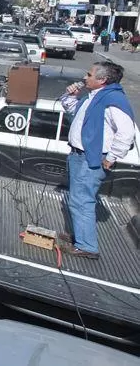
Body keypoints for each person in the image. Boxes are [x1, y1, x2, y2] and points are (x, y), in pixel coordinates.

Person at [58, 62, 136, 259]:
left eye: (89, 74)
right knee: (77, 198)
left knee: (82, 201)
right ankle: (79, 235)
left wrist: (111, 157)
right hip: (78, 156)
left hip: (89, 159)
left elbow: (126, 133)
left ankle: (87, 246)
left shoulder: (113, 100)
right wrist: (70, 95)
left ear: (102, 80)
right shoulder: (94, 97)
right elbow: (72, 109)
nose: (85, 77)